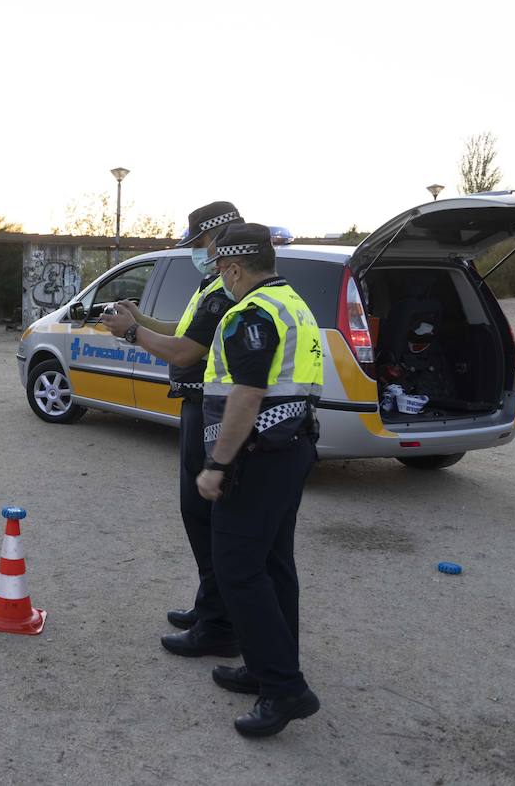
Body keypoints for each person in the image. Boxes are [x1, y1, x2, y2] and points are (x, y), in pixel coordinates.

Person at [101, 202, 245, 660]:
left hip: (210, 408)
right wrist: (139, 321)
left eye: (201, 244)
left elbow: (185, 352)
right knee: (196, 516)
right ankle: (210, 607)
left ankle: (219, 625)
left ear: (221, 237)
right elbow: (183, 332)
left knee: (206, 517)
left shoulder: (227, 288)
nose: (199, 254)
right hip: (197, 406)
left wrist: (129, 334)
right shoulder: (212, 283)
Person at [196, 222, 323, 737]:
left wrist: (217, 466)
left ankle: (285, 689)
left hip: (257, 455)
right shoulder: (291, 301)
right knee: (273, 566)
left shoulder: (249, 313)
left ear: (232, 268)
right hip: (290, 447)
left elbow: (246, 396)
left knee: (238, 570)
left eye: (220, 272)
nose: (219, 281)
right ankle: (264, 665)